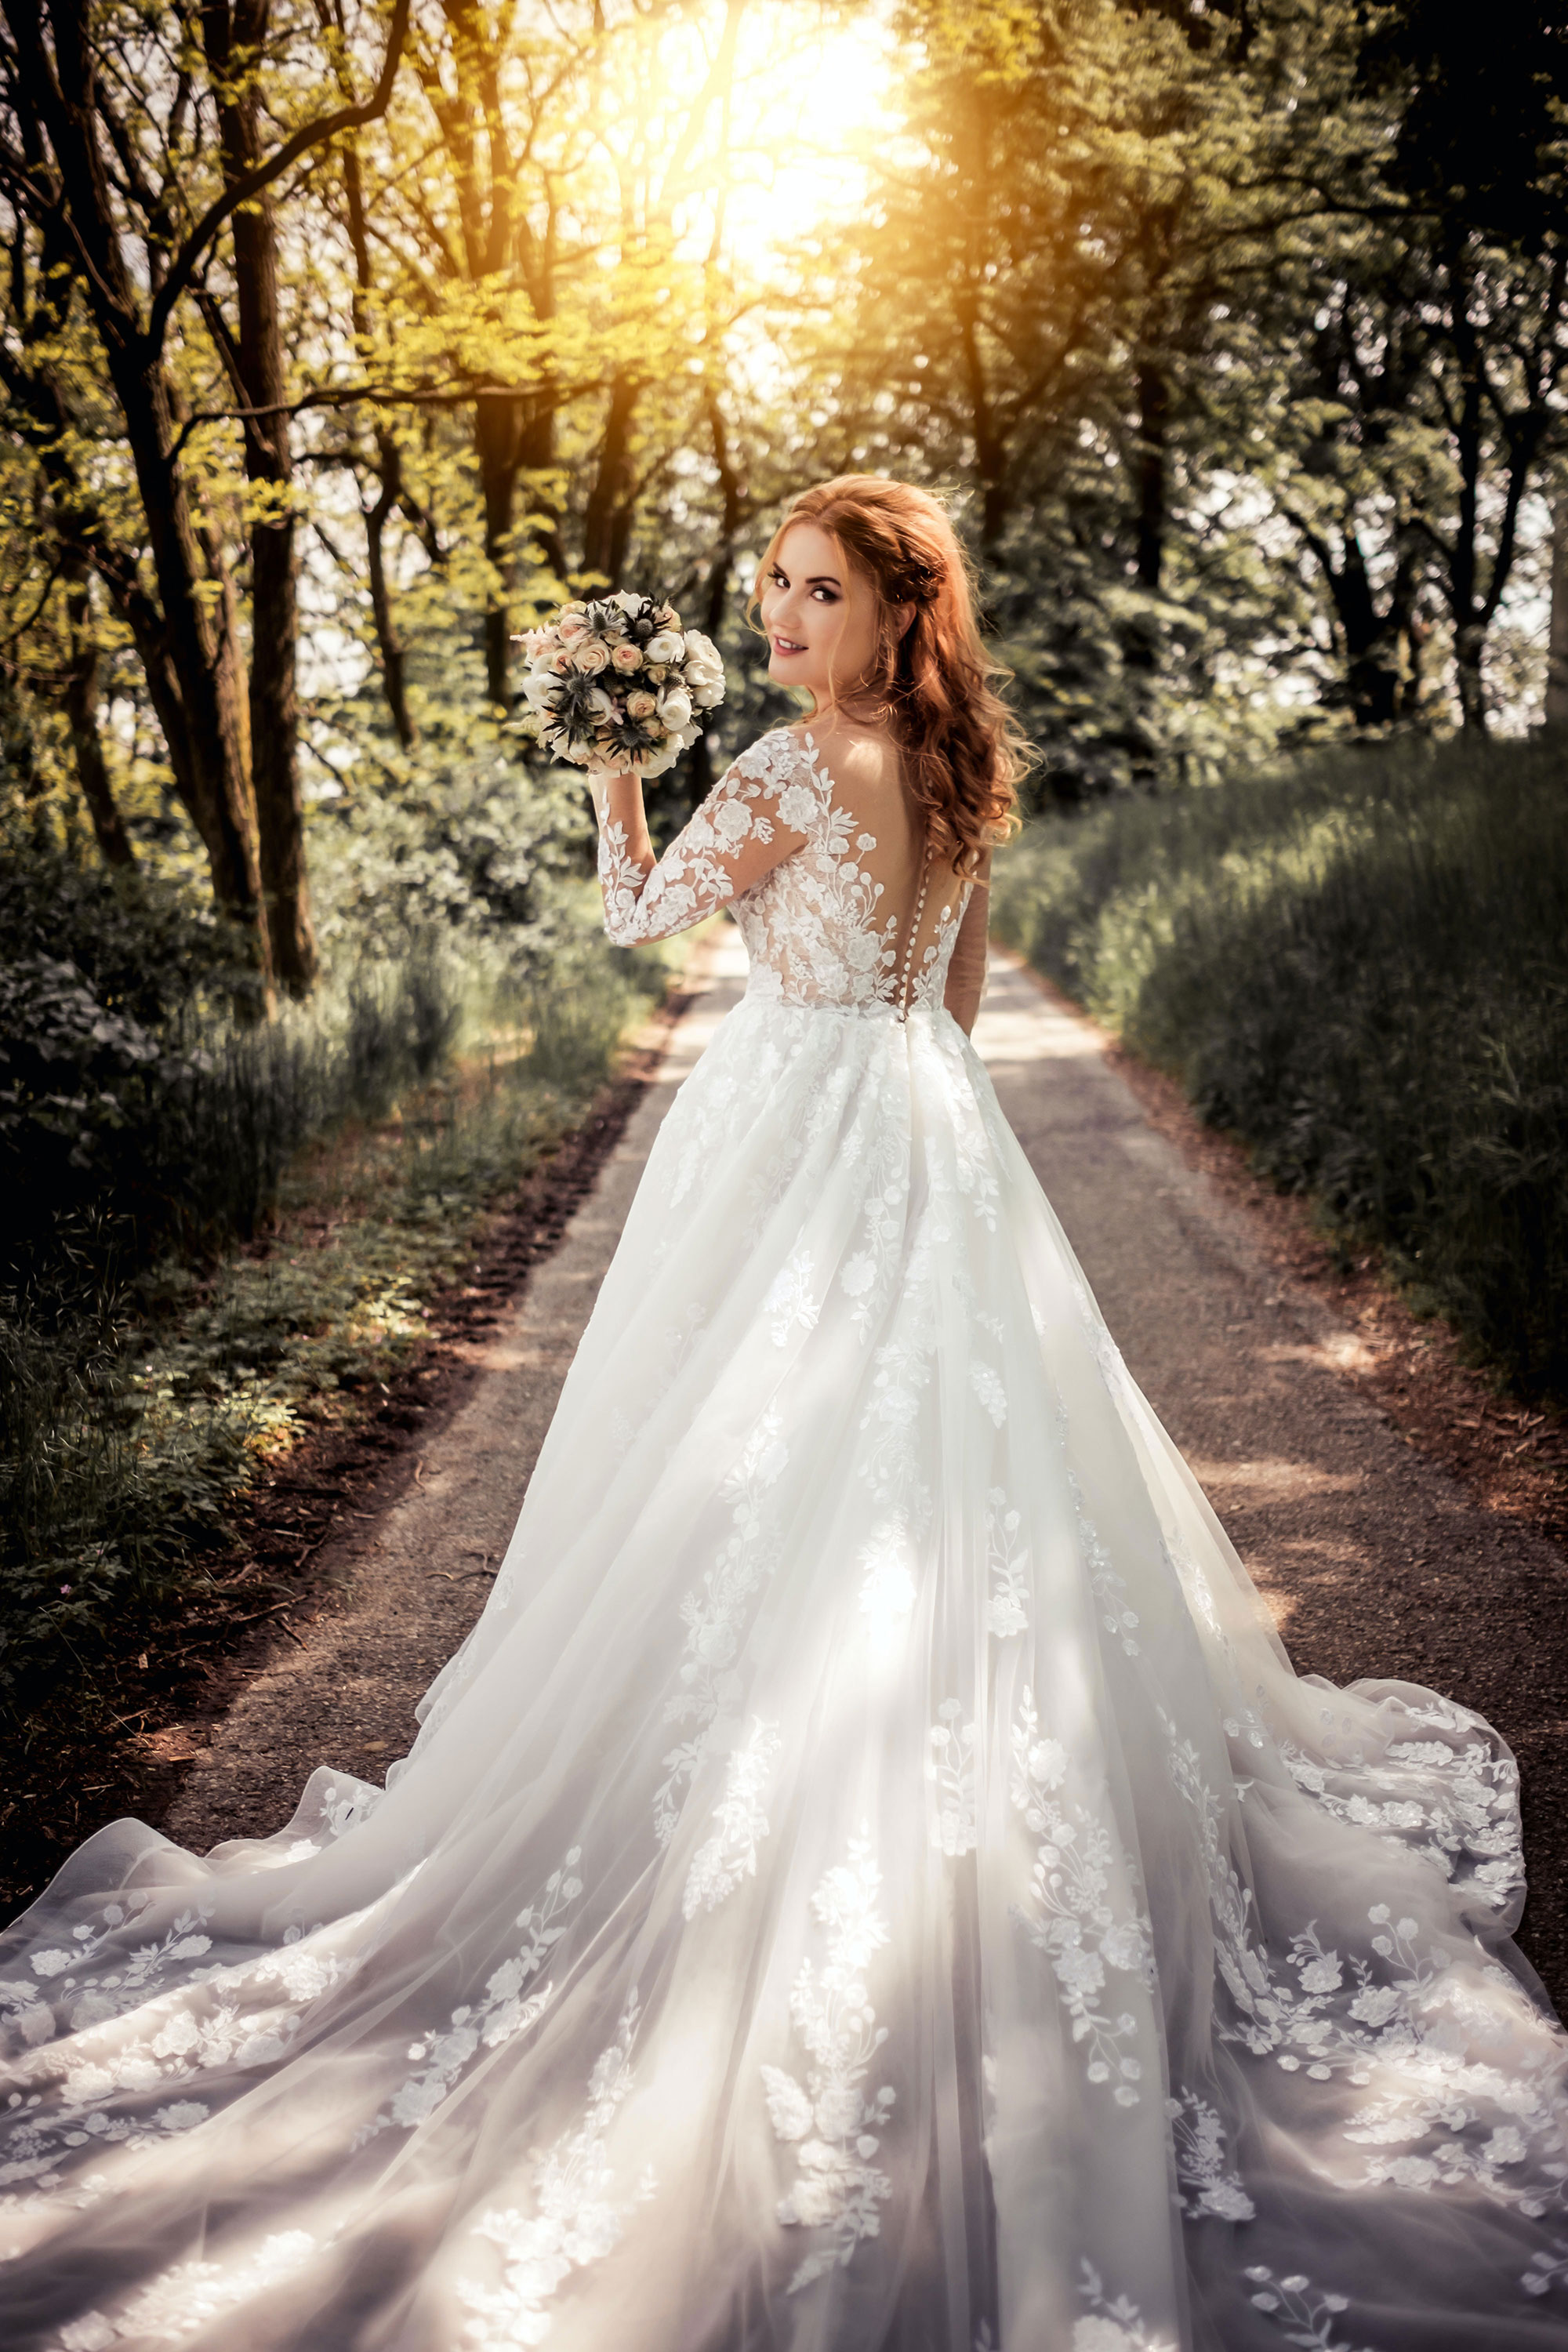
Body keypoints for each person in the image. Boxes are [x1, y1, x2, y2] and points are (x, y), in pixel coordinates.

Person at [2, 476, 1566, 2352]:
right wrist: (924, 1136)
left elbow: (636, 922)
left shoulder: (791, 761)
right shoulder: (963, 755)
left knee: (745, 1468)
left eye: (811, 594)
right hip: (924, 1126)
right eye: (768, 590)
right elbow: (961, 995)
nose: (776, 622)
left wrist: (609, 777)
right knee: (958, 1472)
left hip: (790, 1125)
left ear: (896, 611)